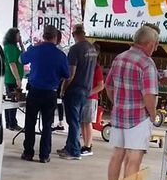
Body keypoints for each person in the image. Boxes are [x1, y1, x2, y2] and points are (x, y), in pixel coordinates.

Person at [105, 24, 160, 180]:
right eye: (156, 44)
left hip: (119, 114)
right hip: (138, 117)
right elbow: (149, 95)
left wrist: (117, 103)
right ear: (150, 44)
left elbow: (109, 85)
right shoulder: (146, 63)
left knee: (117, 155)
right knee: (134, 158)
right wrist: (153, 115)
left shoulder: (119, 58)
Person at [20, 25, 69, 163]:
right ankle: (44, 155)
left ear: (44, 36)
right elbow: (66, 74)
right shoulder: (60, 55)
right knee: (47, 125)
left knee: (30, 123)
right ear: (55, 37)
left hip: (34, 91)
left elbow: (21, 59)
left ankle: (28, 152)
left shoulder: (35, 50)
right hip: (50, 93)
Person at [58, 24, 98, 161]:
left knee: (73, 121)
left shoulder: (75, 49)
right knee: (78, 120)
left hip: (75, 89)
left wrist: (63, 89)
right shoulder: (92, 49)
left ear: (74, 34)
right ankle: (70, 146)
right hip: (86, 90)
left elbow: (71, 73)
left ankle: (74, 151)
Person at [81, 53, 104, 157]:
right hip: (83, 97)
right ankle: (85, 144)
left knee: (88, 122)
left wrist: (90, 92)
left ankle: (88, 145)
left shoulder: (96, 68)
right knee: (83, 122)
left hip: (91, 98)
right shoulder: (86, 67)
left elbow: (101, 85)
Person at [3, 27, 24, 131]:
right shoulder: (9, 47)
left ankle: (10, 122)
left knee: (11, 101)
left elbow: (24, 55)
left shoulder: (15, 47)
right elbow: (12, 63)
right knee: (13, 102)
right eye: (18, 35)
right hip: (11, 78)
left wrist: (21, 43)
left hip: (14, 78)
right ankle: (12, 123)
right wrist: (17, 78)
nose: (19, 37)